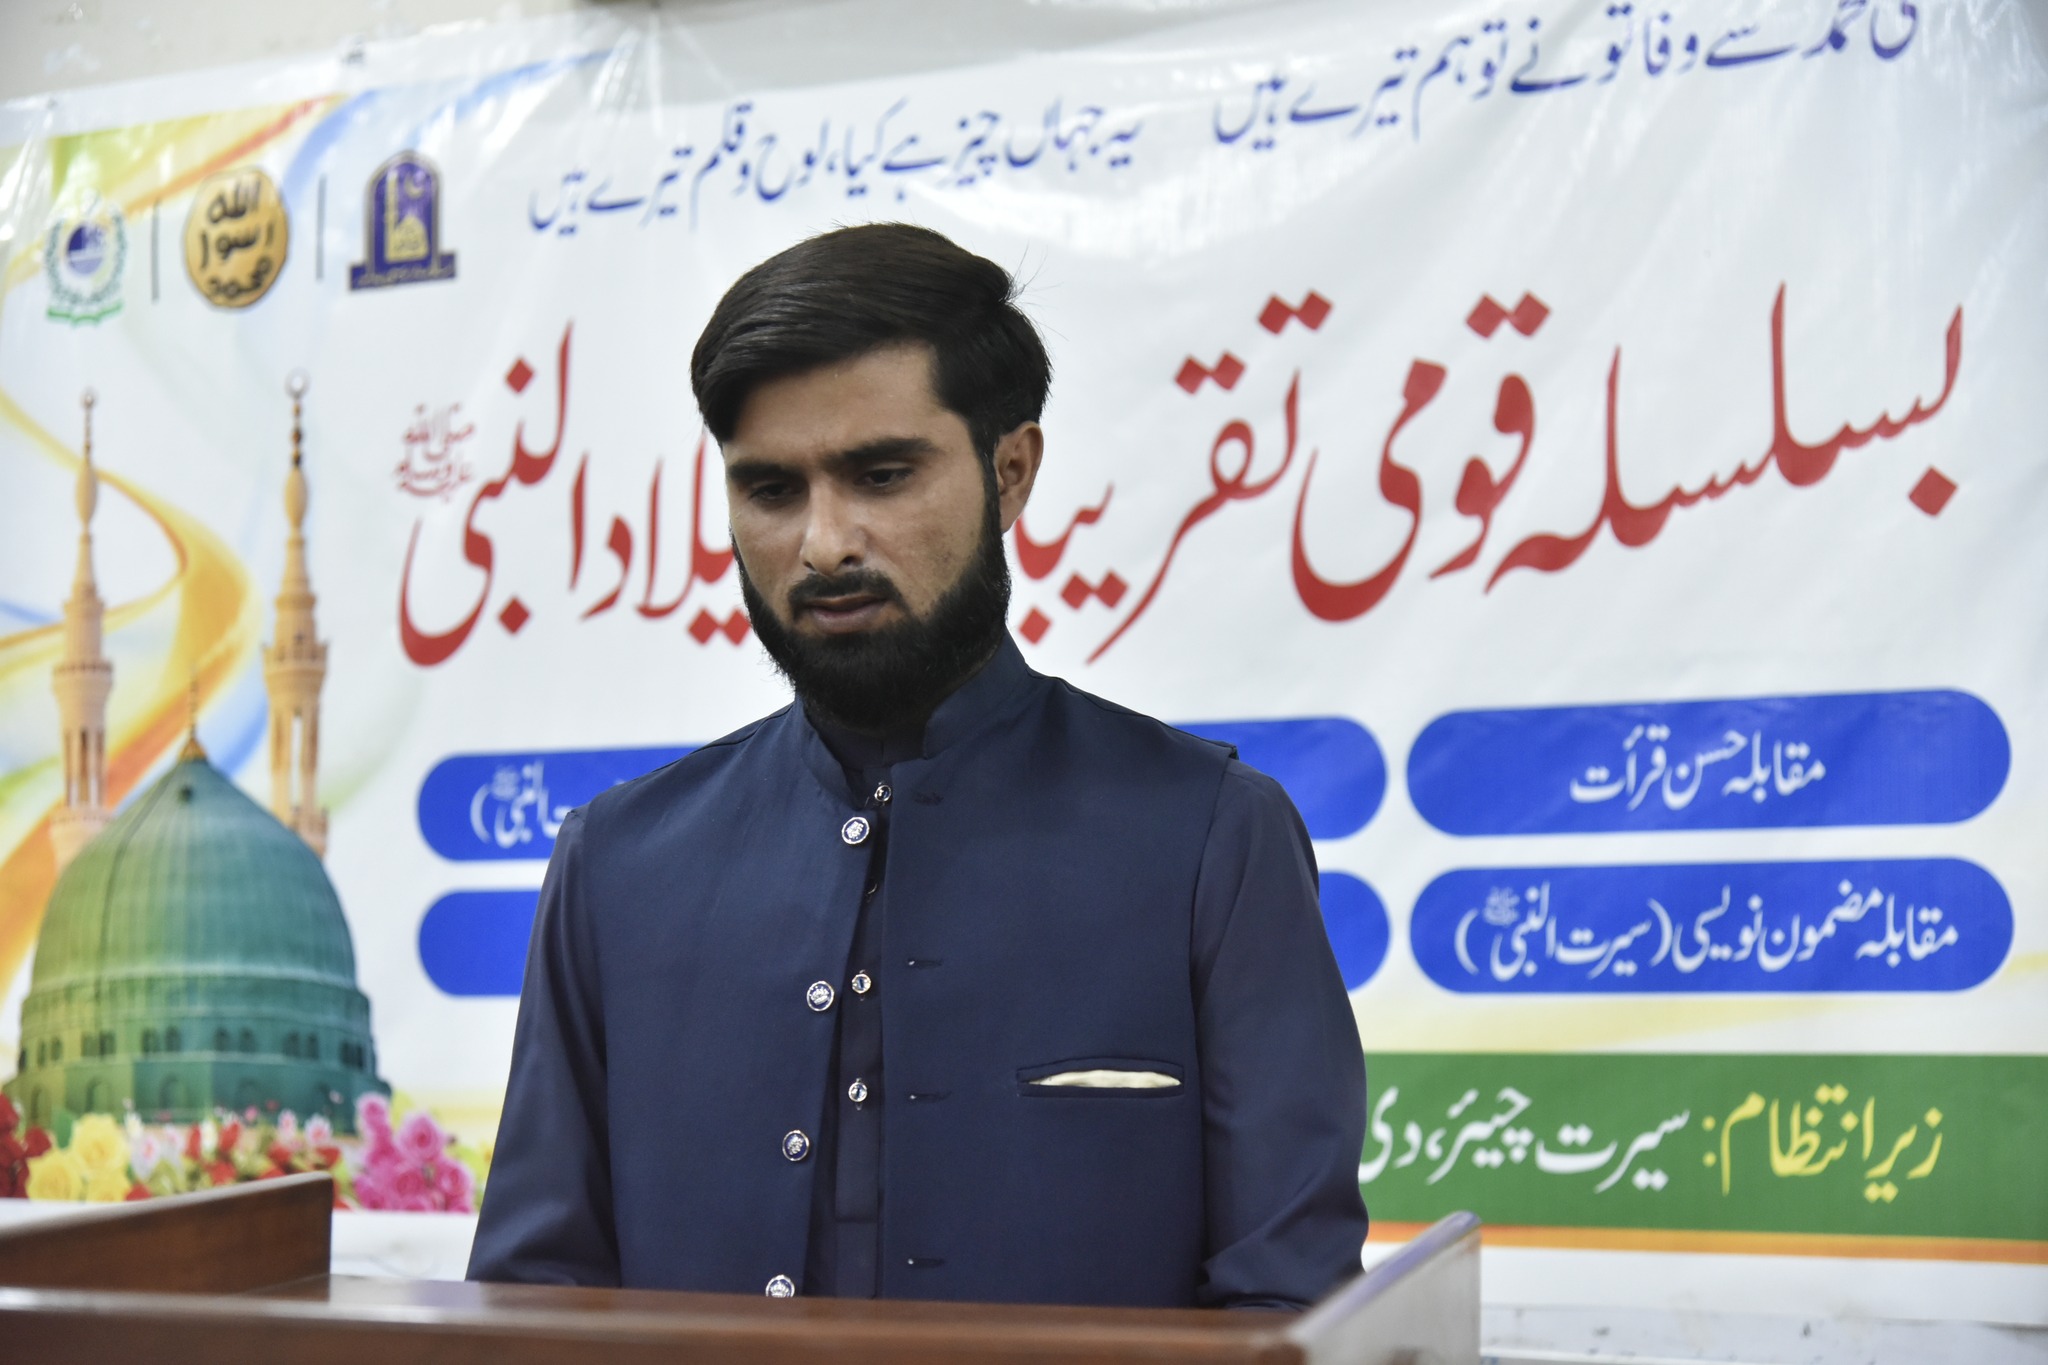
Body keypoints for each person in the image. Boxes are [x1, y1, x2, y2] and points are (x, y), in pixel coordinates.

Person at [467, 223, 1369, 1309]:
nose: (824, 544)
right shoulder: (617, 867)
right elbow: (533, 1302)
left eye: (881, 475)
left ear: (1011, 472)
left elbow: (1291, 1310)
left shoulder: (1209, 840)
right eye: (771, 490)